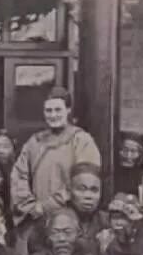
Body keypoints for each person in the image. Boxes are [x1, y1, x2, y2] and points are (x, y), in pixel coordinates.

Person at [10, 89, 101, 233]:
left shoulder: (82, 140)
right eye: (48, 110)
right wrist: (29, 206)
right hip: (36, 216)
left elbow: (85, 181)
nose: (53, 115)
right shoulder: (35, 141)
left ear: (68, 110)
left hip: (70, 217)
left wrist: (49, 205)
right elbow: (19, 175)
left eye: (58, 110)